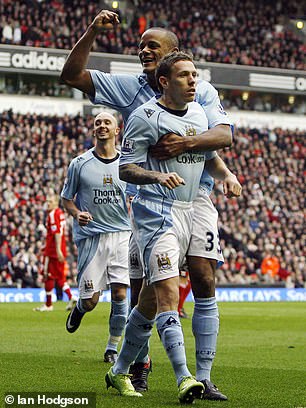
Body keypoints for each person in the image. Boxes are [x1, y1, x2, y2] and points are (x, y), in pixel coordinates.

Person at [60, 10, 242, 399]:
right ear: (164, 78)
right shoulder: (132, 93)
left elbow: (220, 135)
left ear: (174, 56)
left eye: (152, 46)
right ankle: (148, 370)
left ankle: (186, 375)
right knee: (151, 289)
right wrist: (92, 30)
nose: (143, 50)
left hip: (197, 197)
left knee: (199, 279)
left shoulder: (200, 92)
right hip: (152, 202)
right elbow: (72, 76)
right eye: (140, 45)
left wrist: (211, 163)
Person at [106, 51, 215, 402]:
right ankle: (184, 378)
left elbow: (209, 154)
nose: (193, 80)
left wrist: (226, 176)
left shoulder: (199, 113)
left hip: (190, 210)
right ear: (165, 82)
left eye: (195, 74)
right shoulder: (145, 116)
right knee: (168, 293)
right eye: (185, 75)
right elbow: (125, 168)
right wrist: (155, 175)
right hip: (156, 211)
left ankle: (118, 371)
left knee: (148, 303)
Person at [61, 112, 131, 363]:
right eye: (97, 123)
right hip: (93, 238)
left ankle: (112, 348)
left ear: (117, 130)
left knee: (121, 294)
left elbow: (137, 194)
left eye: (107, 123)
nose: (102, 126)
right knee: (91, 301)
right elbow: (66, 199)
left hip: (123, 235)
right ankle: (79, 309)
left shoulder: (127, 163)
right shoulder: (79, 163)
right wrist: (77, 213)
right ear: (93, 131)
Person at [34, 192, 76, 312]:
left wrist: (57, 249)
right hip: (58, 249)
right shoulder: (60, 213)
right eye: (47, 201)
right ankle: (71, 297)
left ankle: (48, 305)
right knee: (59, 276)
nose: (47, 203)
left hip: (53, 251)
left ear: (56, 203)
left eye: (50, 201)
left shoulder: (53, 214)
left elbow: (57, 232)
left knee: (47, 274)